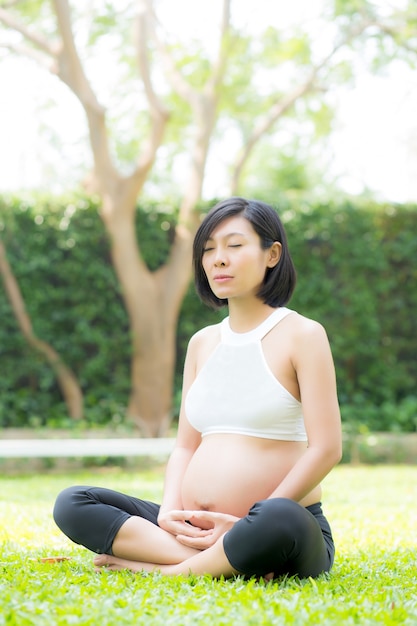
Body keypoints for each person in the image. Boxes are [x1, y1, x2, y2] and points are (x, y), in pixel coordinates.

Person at [53, 197, 342, 580]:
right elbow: (186, 446)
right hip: (195, 528)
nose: (218, 259)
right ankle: (220, 560)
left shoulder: (303, 335)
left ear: (272, 254)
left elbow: (326, 449)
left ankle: (172, 569)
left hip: (281, 522)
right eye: (208, 250)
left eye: (234, 246)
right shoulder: (202, 342)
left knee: (278, 518)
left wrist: (246, 525)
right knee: (73, 503)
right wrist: (171, 515)